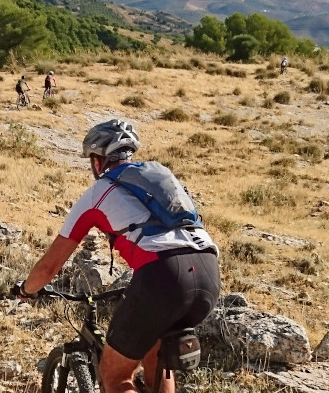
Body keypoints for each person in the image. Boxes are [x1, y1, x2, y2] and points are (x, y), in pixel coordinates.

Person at [14, 119, 220, 393]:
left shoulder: (98, 193)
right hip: (208, 272)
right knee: (156, 360)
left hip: (163, 276)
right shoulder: (158, 180)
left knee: (115, 376)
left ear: (97, 162)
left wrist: (27, 290)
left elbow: (50, 265)